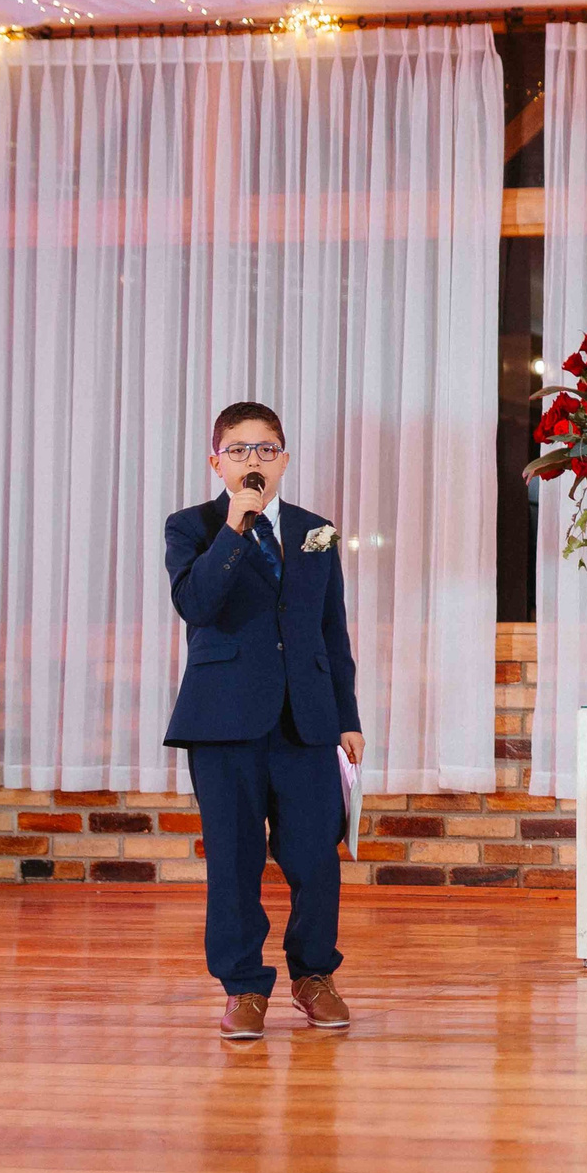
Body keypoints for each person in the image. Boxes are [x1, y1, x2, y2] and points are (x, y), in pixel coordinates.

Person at [164, 401, 364, 1041]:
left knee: (315, 857)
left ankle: (314, 976)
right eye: (241, 450)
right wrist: (234, 528)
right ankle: (243, 988)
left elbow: (331, 632)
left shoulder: (316, 530)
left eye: (267, 449)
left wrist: (347, 717)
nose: (255, 461)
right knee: (234, 859)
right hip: (223, 721)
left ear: (284, 458)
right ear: (216, 459)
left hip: (305, 721)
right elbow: (196, 604)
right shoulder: (191, 527)